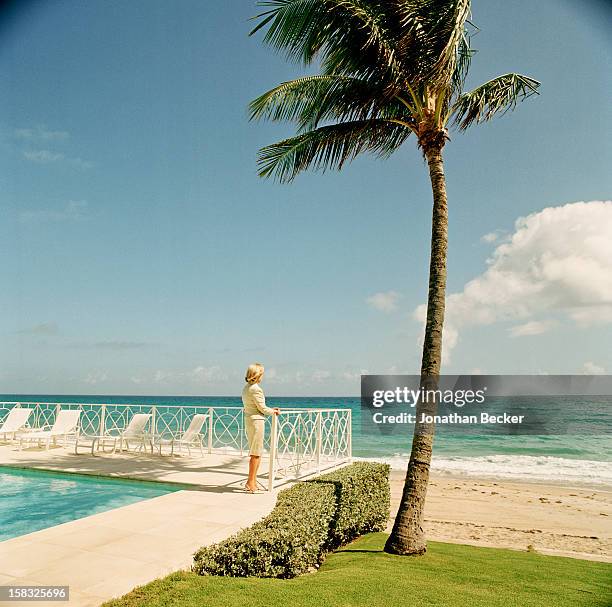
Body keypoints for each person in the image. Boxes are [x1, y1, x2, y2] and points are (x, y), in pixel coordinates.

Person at [241, 363, 280, 493]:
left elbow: (253, 406)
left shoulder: (246, 388)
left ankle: (252, 481)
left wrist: (269, 409)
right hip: (257, 422)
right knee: (256, 453)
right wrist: (273, 412)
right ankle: (250, 483)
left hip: (249, 420)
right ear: (258, 375)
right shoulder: (256, 389)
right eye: (262, 373)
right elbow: (262, 408)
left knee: (255, 452)